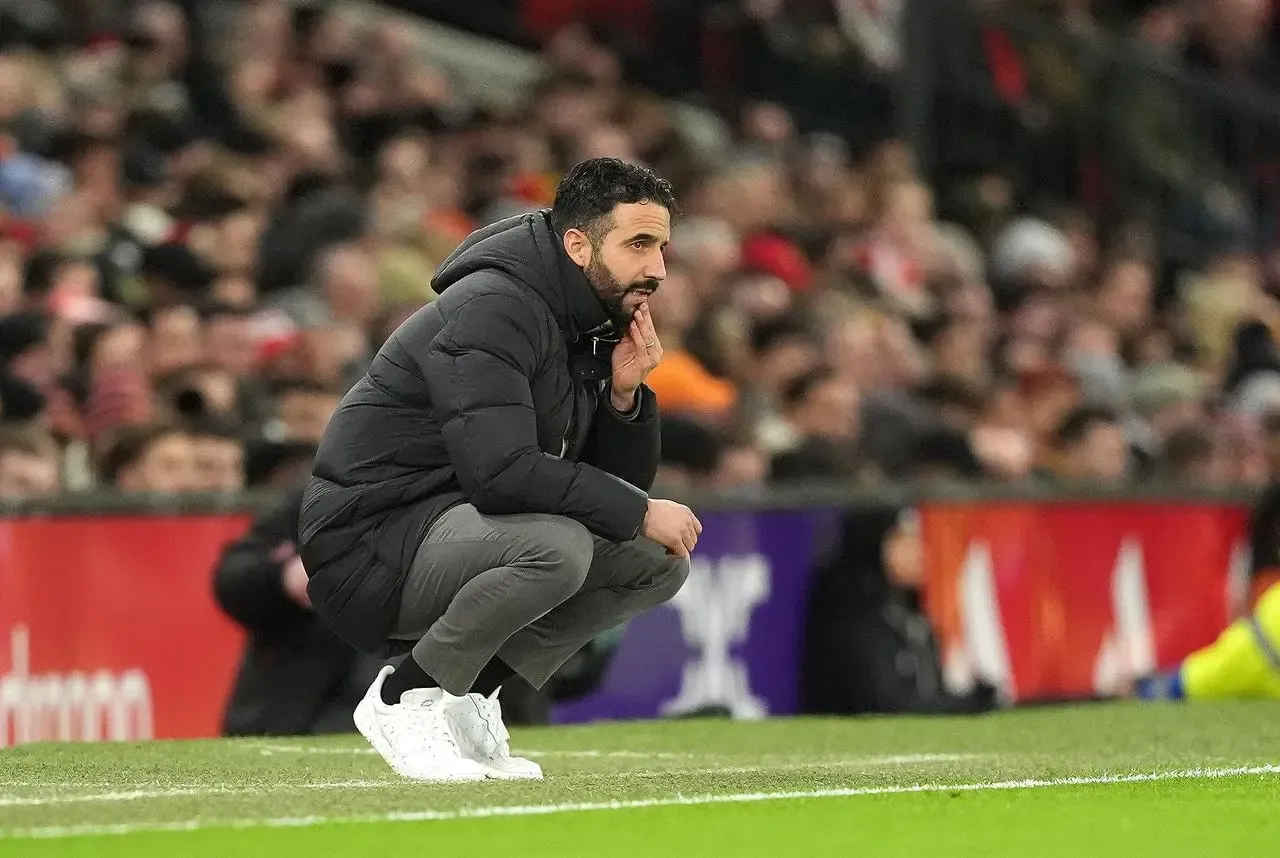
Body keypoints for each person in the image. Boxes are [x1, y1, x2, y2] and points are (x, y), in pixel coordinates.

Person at [299, 158, 699, 782]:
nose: (657, 268)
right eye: (638, 244)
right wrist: (641, 512)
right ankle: (401, 698)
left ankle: (465, 696)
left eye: (662, 247)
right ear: (577, 244)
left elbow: (609, 490)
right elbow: (503, 474)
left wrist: (624, 396)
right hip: (372, 544)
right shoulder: (494, 307)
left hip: (458, 530)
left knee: (654, 562)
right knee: (559, 547)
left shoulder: (588, 320)